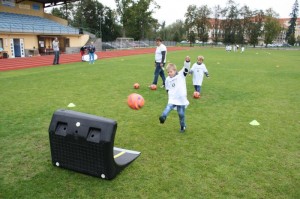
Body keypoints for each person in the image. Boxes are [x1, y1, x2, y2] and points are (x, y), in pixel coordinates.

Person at [159, 56, 191, 133]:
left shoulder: (181, 75)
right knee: (168, 107)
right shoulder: (167, 79)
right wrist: (169, 94)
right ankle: (163, 116)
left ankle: (183, 126)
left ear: (175, 70)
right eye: (168, 72)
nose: (169, 74)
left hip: (181, 99)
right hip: (173, 98)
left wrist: (187, 62)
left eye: (171, 72)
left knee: (181, 114)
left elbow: (186, 69)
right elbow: (167, 88)